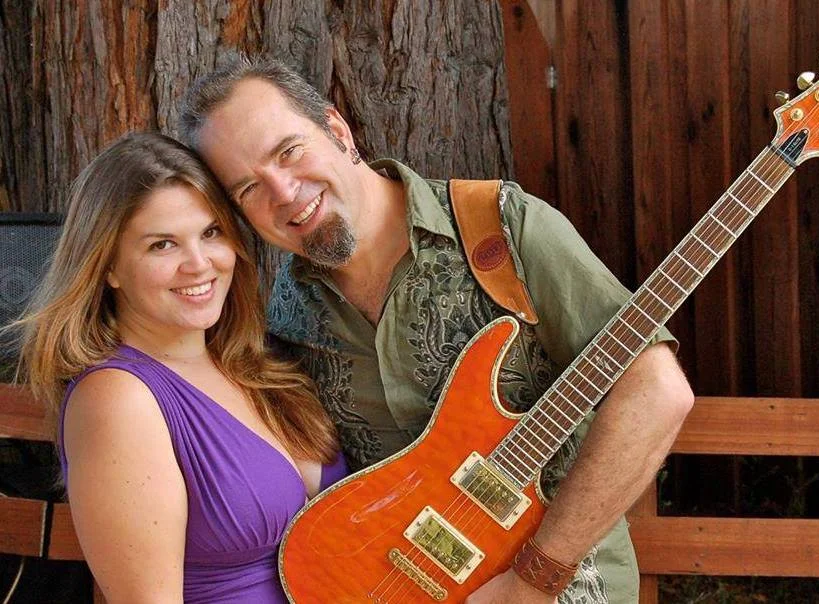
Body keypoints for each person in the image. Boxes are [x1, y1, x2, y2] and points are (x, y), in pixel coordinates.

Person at [179, 57, 694, 604]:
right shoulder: (282, 314)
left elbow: (656, 391)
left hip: (558, 585)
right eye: (247, 189)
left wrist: (534, 579)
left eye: (288, 151)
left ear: (337, 131)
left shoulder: (497, 227)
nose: (283, 192)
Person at [12, 132, 347, 603]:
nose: (199, 264)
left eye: (211, 233)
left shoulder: (253, 364)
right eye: (162, 245)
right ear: (108, 267)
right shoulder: (119, 400)